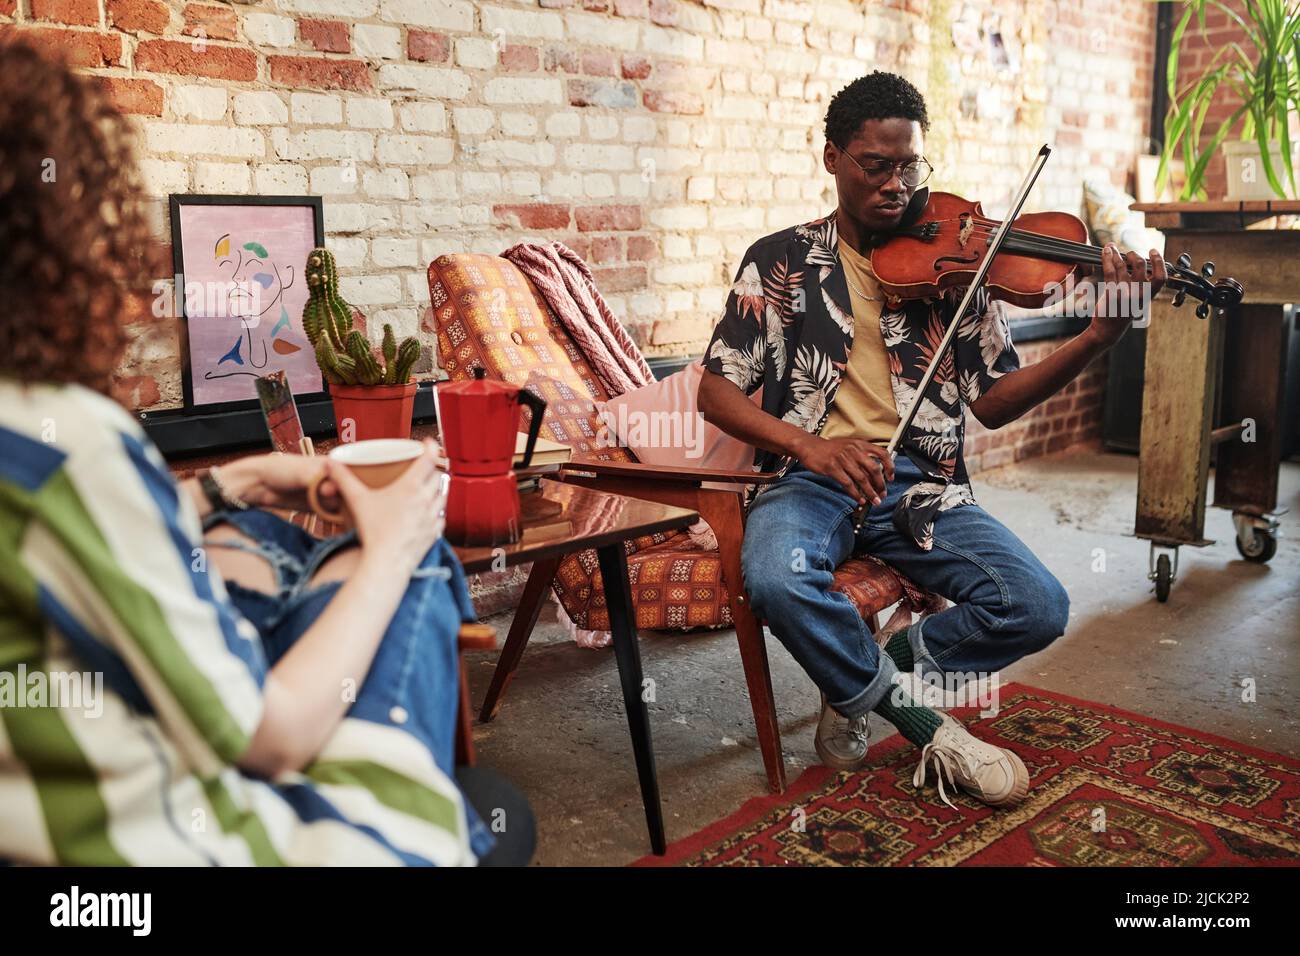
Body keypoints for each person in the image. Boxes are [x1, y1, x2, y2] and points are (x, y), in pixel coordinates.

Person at [0, 40, 532, 866]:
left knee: (257, 540)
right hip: (229, 844)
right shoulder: (59, 438)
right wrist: (389, 543)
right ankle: (430, 831)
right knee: (409, 563)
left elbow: (67, 550)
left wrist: (232, 481)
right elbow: (266, 736)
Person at [698, 71, 1165, 808]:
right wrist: (811, 447)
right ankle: (921, 723)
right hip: (811, 481)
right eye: (875, 165)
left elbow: (996, 405)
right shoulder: (780, 259)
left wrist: (1097, 337)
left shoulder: (964, 262)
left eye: (909, 165)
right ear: (832, 159)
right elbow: (715, 390)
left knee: (1038, 606)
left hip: (920, 484)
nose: (896, 184)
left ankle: (862, 673)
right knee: (775, 579)